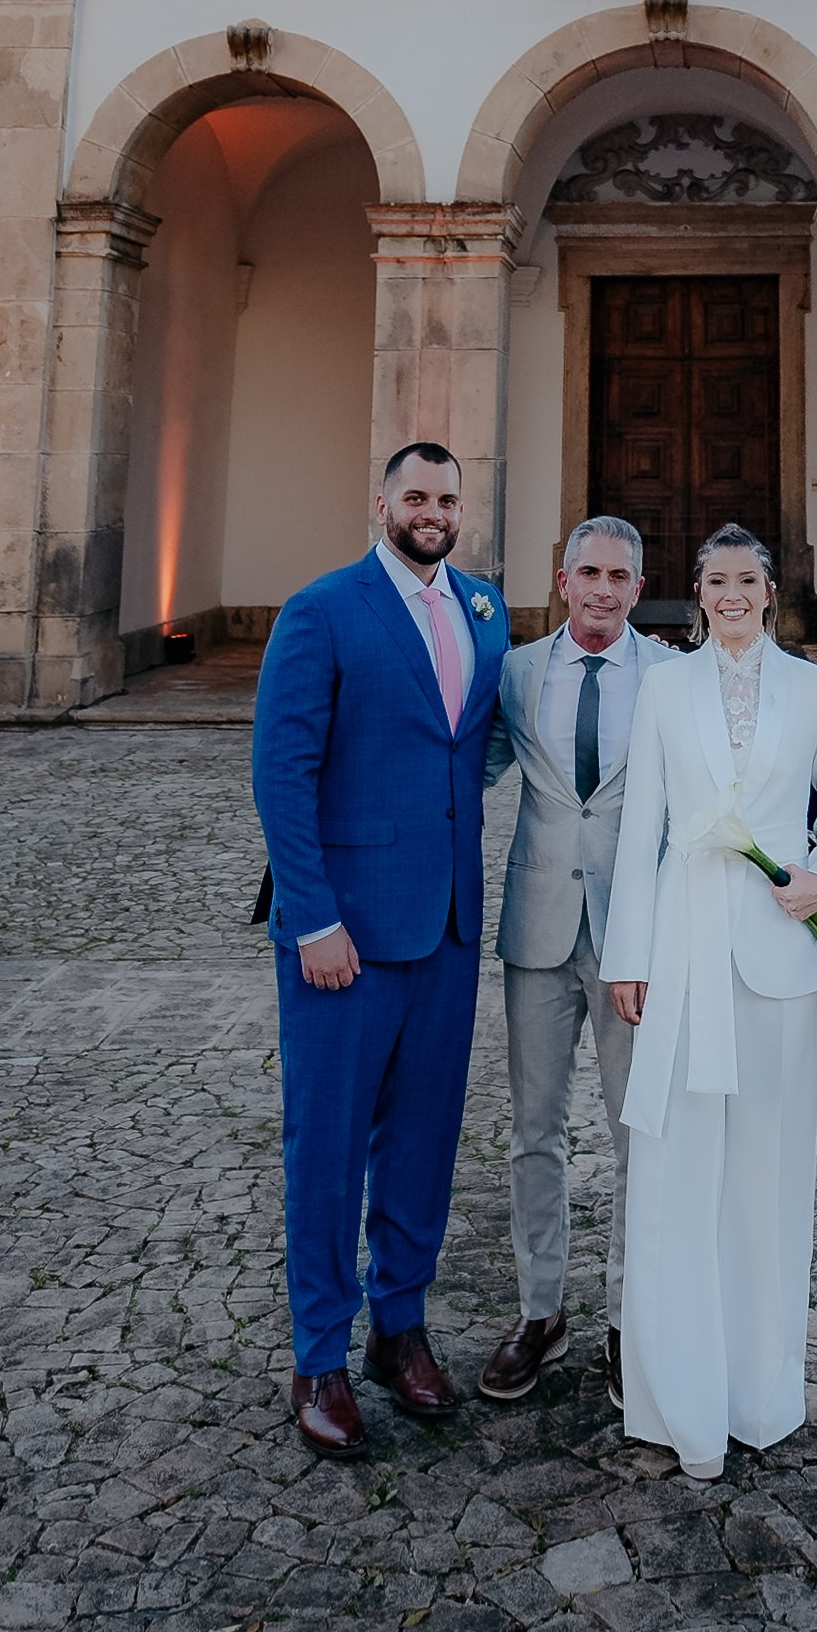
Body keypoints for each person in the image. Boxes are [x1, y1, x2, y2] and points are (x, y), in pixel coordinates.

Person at [251, 441, 509, 1461]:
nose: (433, 510)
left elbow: (475, 748)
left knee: (422, 1141)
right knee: (324, 1145)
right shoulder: (321, 609)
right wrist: (312, 917)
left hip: (444, 924)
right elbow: (283, 771)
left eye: (448, 497)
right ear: (382, 502)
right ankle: (318, 1353)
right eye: (416, 495)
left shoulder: (484, 609)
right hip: (342, 937)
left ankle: (398, 1329)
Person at [602, 524, 817, 1482]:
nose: (733, 593)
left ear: (770, 591)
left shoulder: (816, 689)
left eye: (748, 579)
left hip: (780, 955)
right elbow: (641, 829)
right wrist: (631, 954)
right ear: (696, 593)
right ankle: (680, 1396)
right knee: (679, 1168)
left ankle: (761, 1392)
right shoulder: (664, 687)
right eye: (716, 580)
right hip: (685, 940)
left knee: (770, 1172)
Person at [477, 515, 664, 1410]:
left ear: (637, 587)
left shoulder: (670, 676)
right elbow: (462, 768)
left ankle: (632, 1321)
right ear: (562, 581)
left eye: (617, 576)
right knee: (534, 1132)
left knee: (638, 1135)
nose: (600, 588)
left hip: (635, 940)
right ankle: (539, 1311)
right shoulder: (515, 671)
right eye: (586, 572)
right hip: (538, 928)